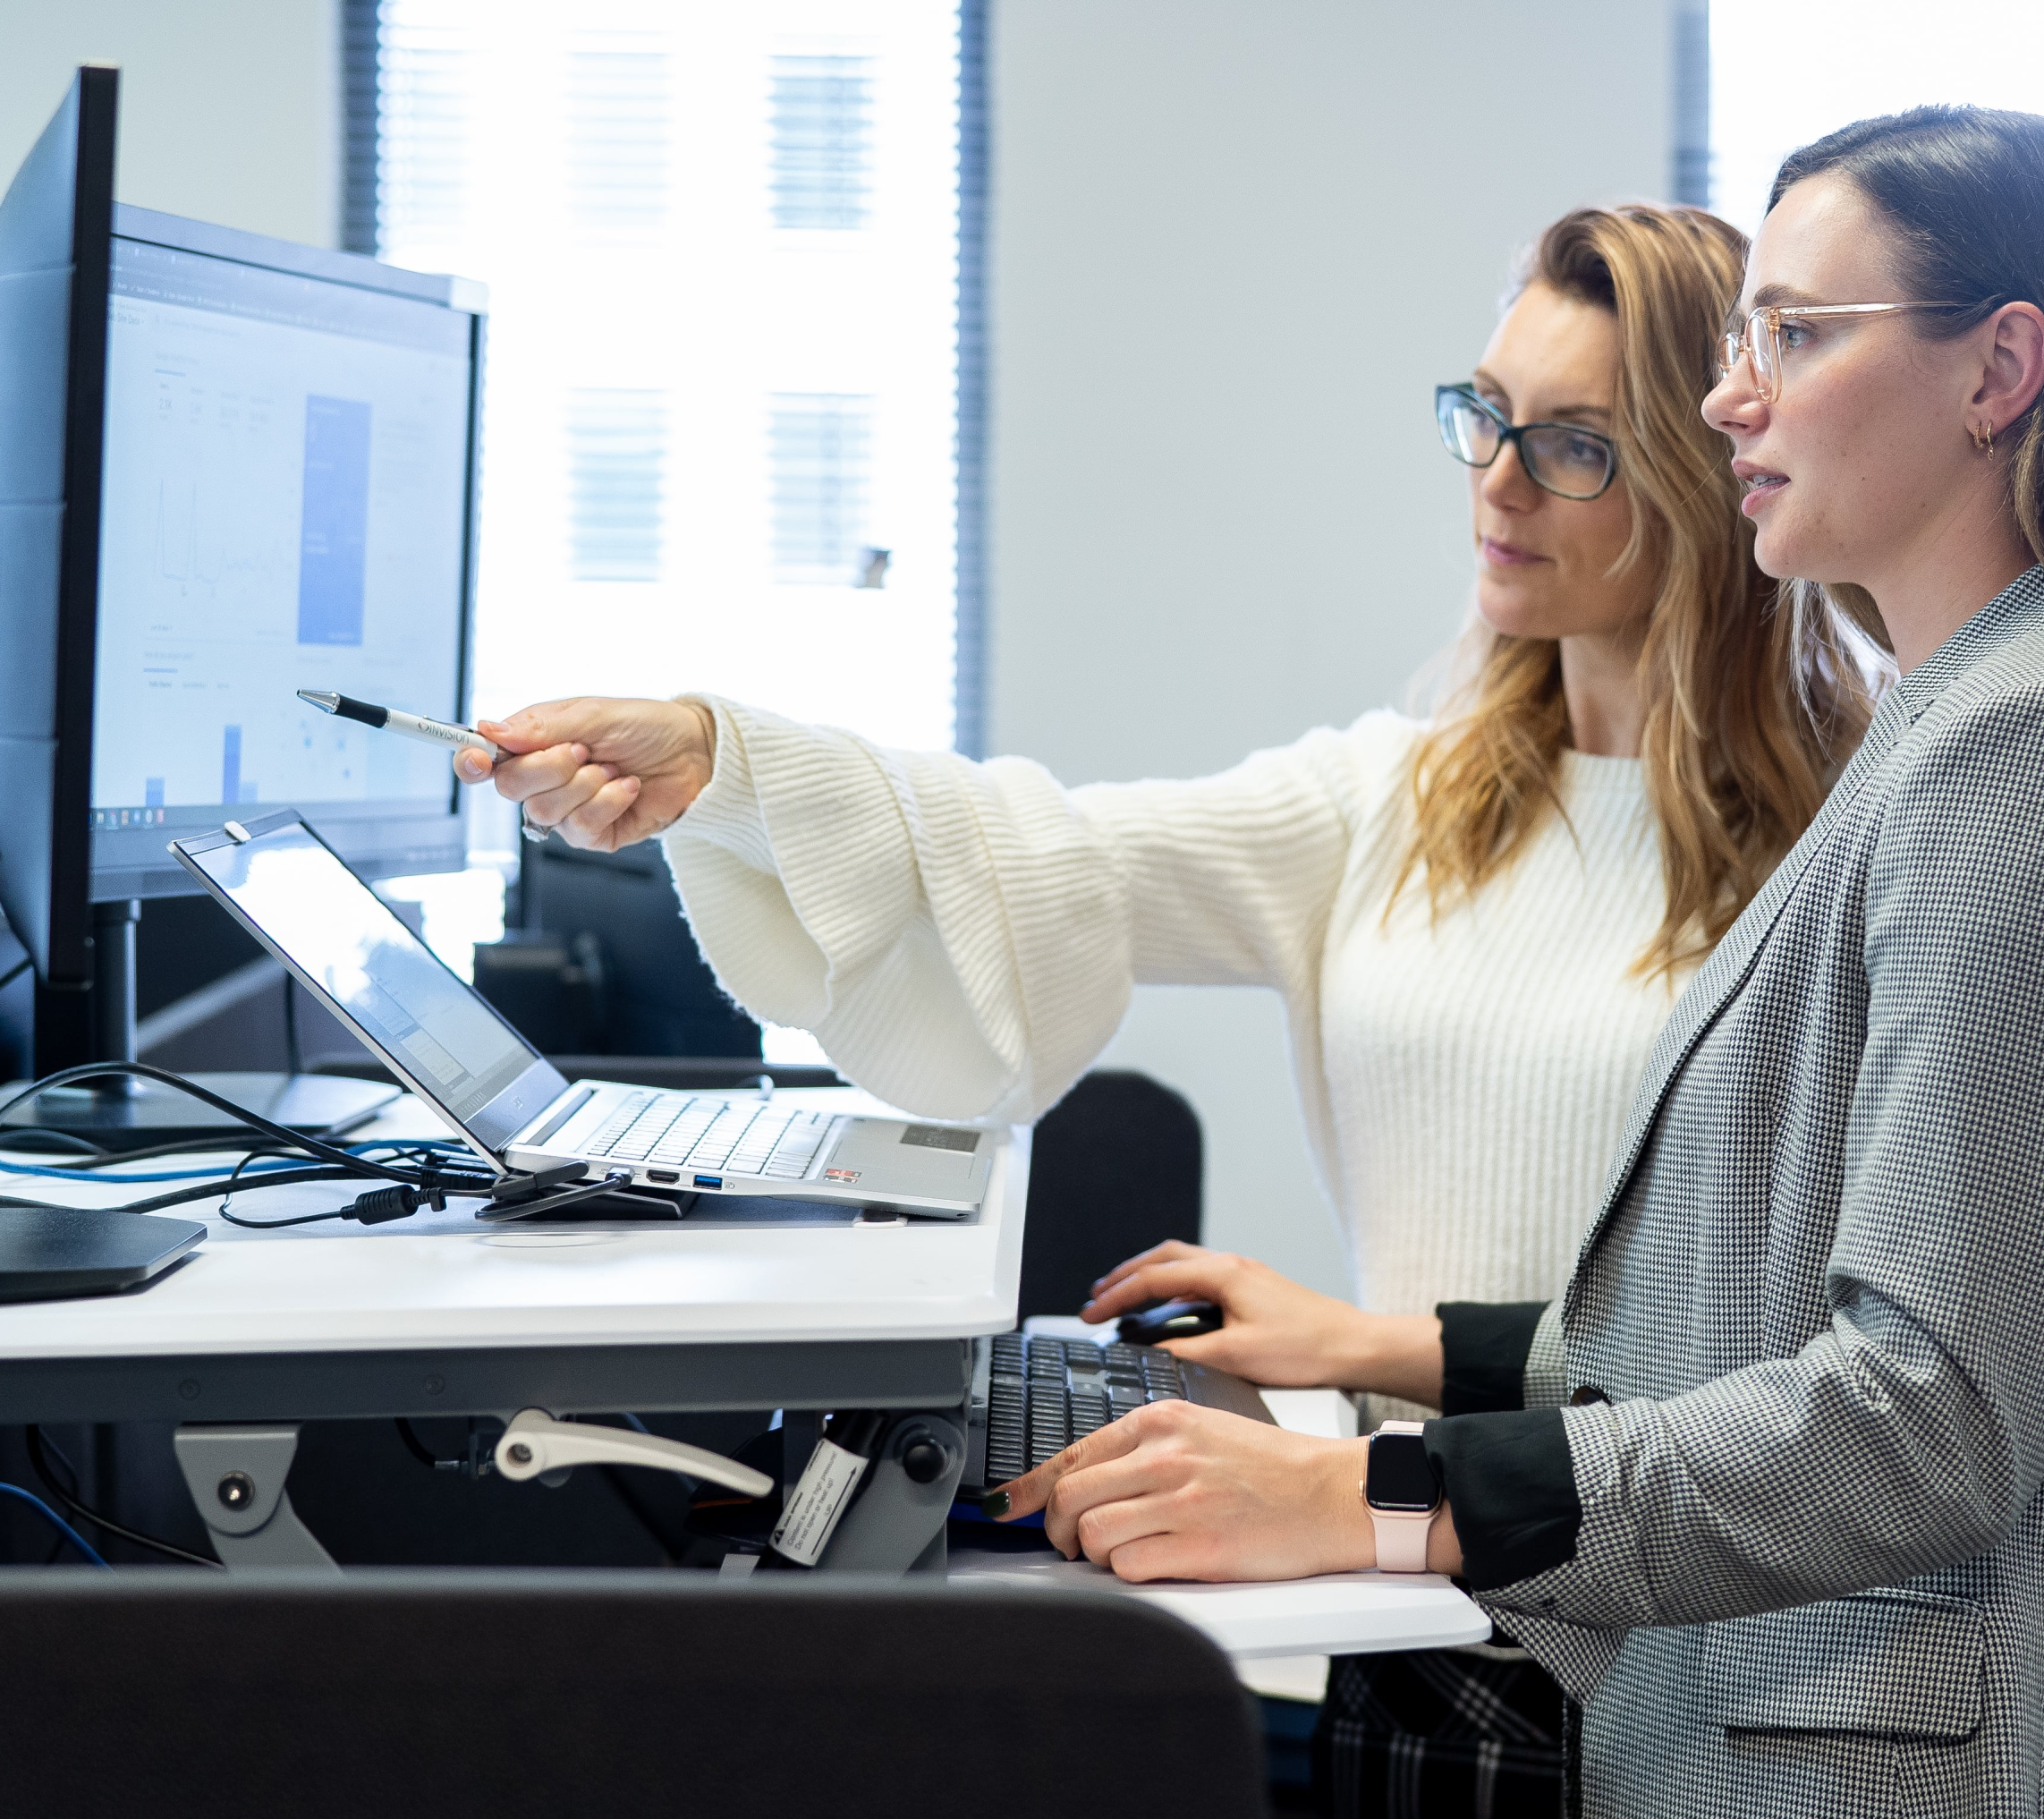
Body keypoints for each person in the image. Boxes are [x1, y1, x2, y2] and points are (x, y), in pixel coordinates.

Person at [462, 202, 1879, 1815]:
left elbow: (1796, 1371)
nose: (1492, 478)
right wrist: (729, 763)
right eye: (1482, 415)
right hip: (1415, 1608)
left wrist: (1364, 1346)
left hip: (1694, 1663)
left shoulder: (1846, 842)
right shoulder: (1402, 803)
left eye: (1572, 448)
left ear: (1713, 484)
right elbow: (1047, 850)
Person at [997, 106, 2044, 1819]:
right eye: (1745, 333)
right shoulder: (1960, 722)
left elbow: (1923, 1423)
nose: (1729, 395)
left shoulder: (2043, 747)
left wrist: (1373, 1495)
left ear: (2000, 369)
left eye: (1798, 334)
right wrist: (1387, 1350)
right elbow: (1729, 1334)